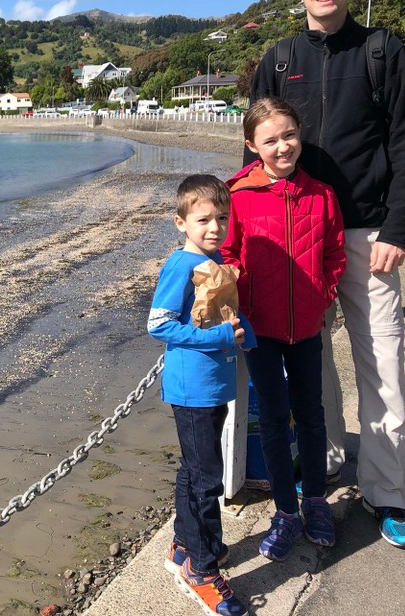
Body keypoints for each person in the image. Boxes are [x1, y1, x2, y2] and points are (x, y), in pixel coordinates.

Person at [250, 0, 405, 549]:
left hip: (367, 233)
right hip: (294, 234)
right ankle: (322, 463)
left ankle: (387, 493)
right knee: (308, 355)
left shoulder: (382, 51)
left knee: (382, 363)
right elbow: (258, 147)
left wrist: (398, 231)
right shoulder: (278, 58)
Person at [222, 98, 346, 561]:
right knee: (274, 420)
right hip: (261, 330)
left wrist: (322, 295)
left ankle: (315, 501)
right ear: (251, 145)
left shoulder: (322, 194)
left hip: (308, 328)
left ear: (300, 135)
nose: (282, 147)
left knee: (311, 415)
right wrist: (235, 301)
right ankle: (285, 511)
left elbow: (335, 254)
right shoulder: (238, 196)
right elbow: (229, 256)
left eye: (289, 135)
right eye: (270, 140)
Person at [148, 174, 256, 616]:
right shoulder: (180, 265)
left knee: (195, 472)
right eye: (204, 219)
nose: (215, 227)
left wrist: (244, 334)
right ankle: (202, 567)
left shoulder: (216, 262)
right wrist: (218, 340)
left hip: (215, 386)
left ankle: (183, 546)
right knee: (207, 478)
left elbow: (224, 315)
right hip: (191, 388)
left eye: (222, 218)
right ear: (181, 222)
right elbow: (158, 324)